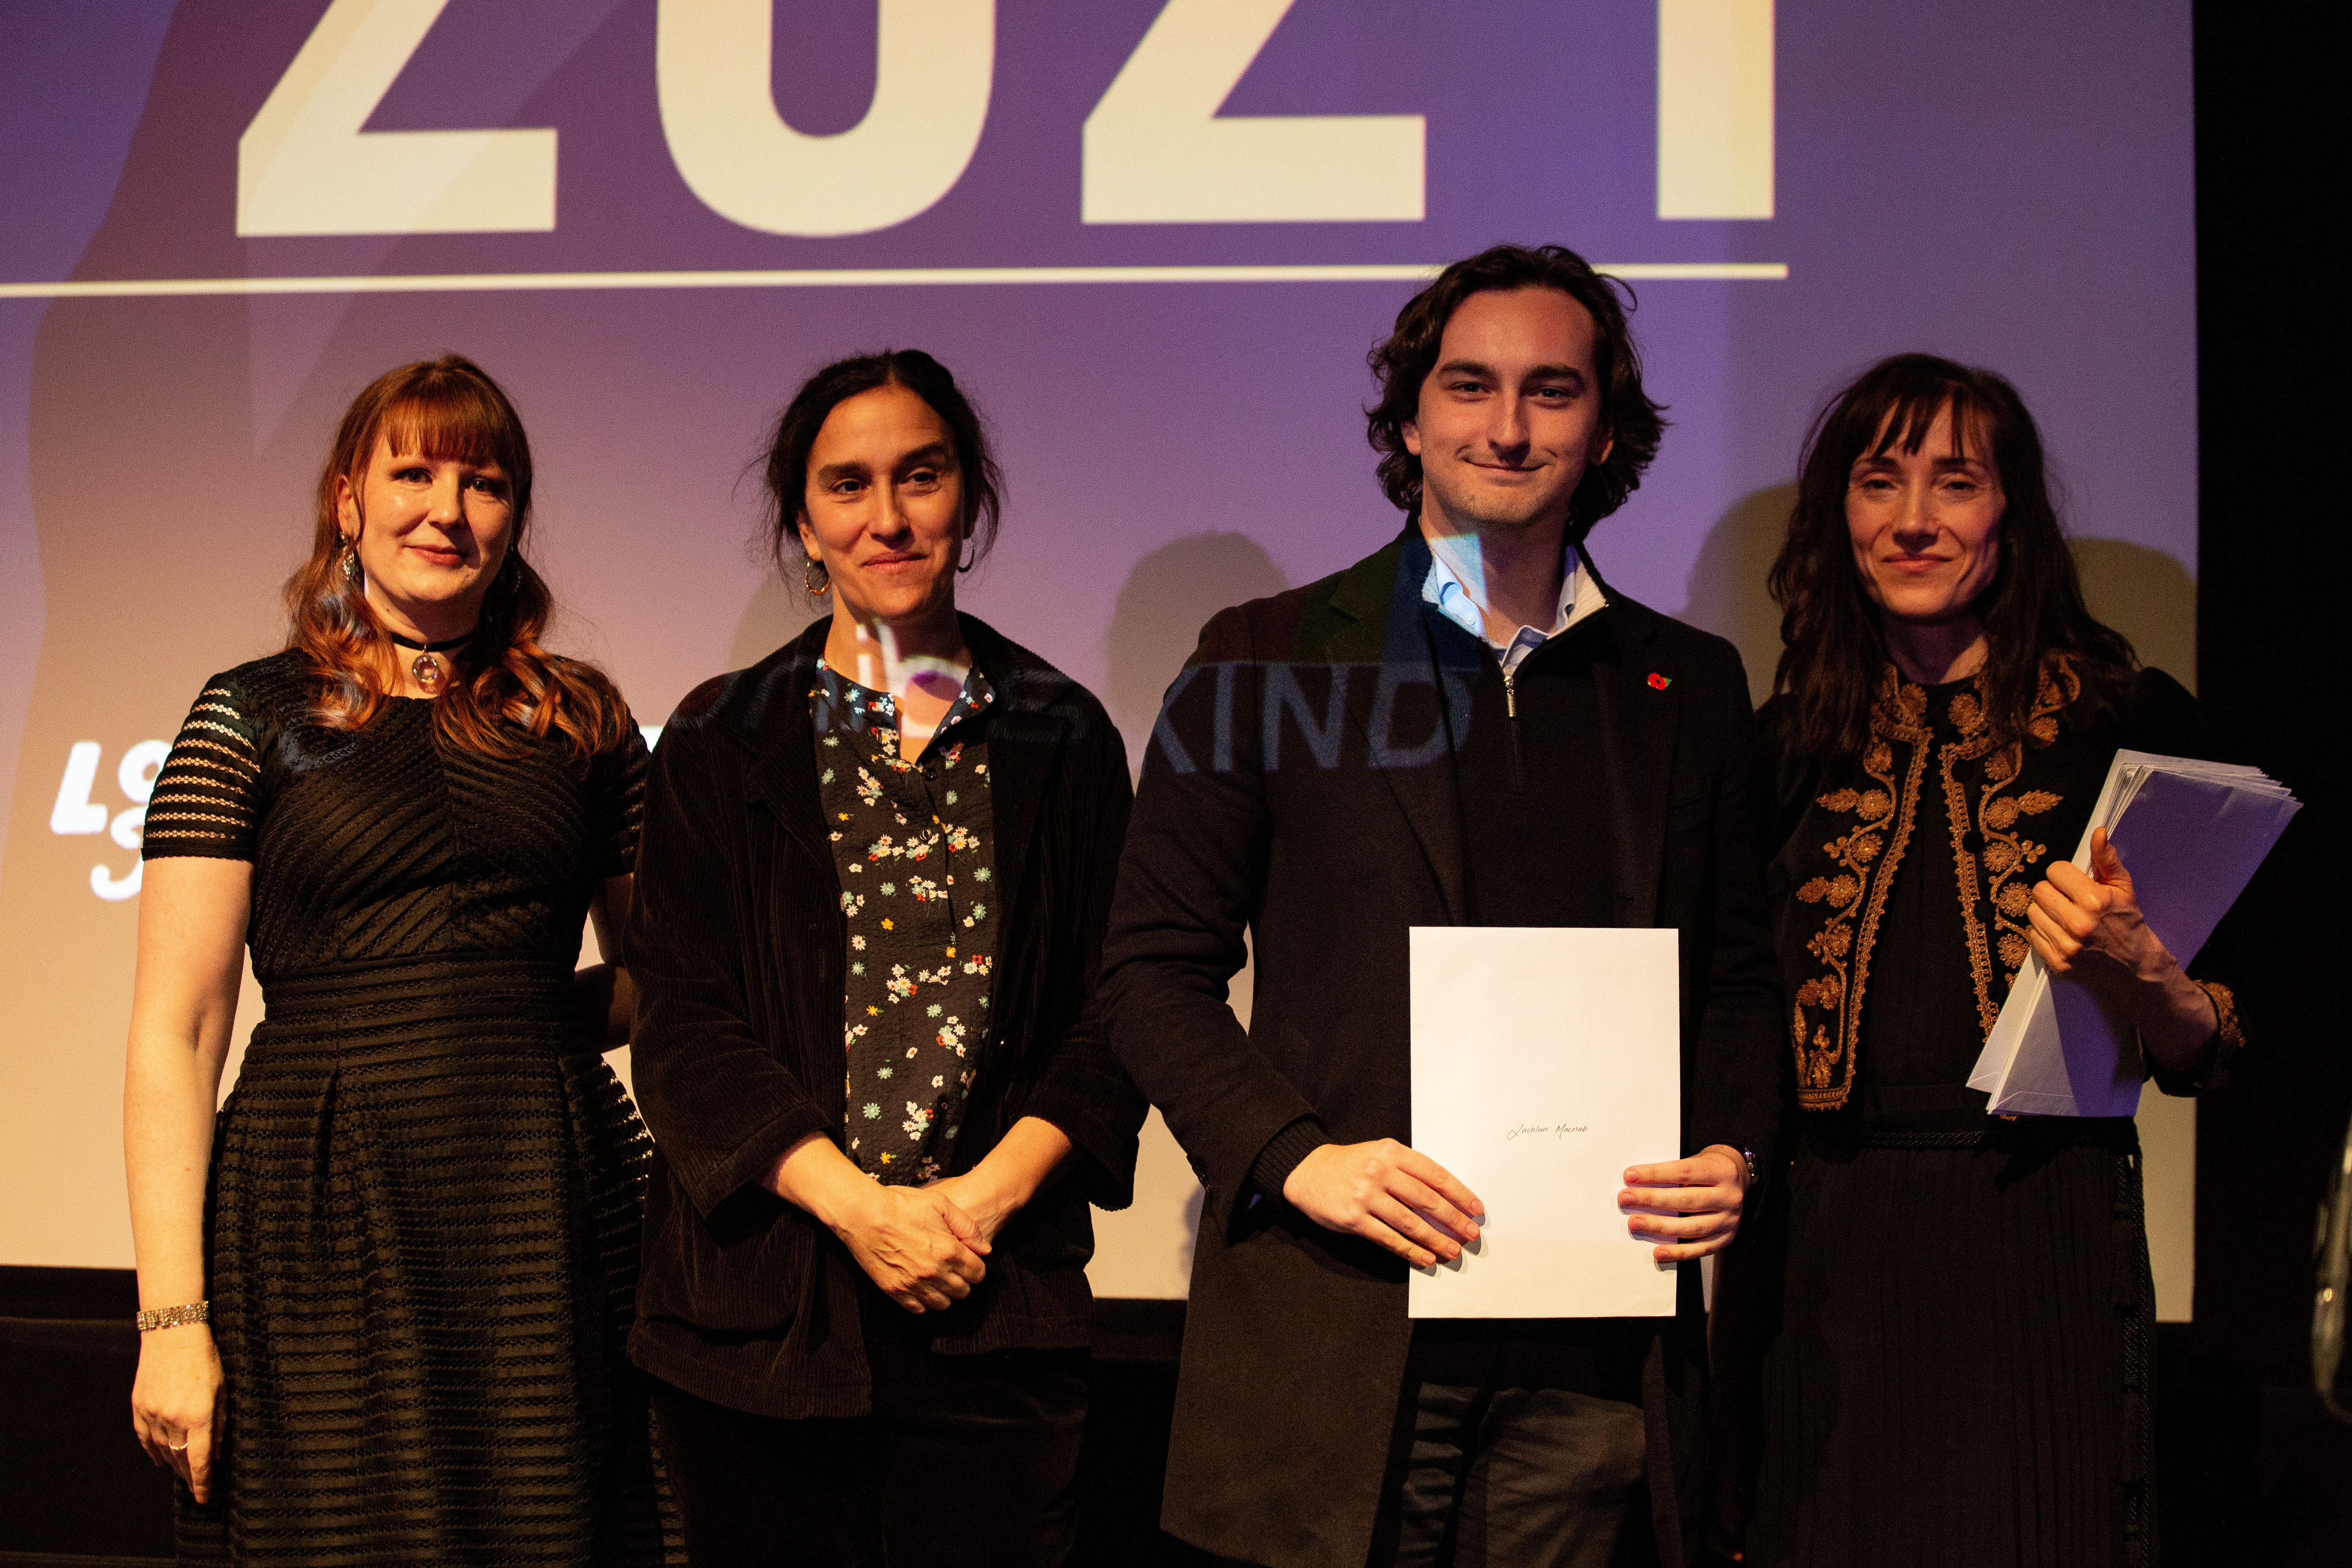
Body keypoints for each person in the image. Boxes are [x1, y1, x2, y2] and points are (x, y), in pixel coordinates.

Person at [1099, 244, 1785, 1568]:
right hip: (1336, 1333)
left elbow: (1740, 978)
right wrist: (1298, 1157)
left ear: (1604, 431)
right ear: (1409, 418)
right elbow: (1146, 973)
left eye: (1551, 390)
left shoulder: (1688, 684)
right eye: (1468, 386)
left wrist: (1737, 1151)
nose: (1507, 425)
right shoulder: (1263, 655)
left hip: (1591, 1351)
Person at [123, 356, 667, 1561]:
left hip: (541, 1198)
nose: (447, 508)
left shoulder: (582, 718)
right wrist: (171, 1317)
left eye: (483, 481)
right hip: (314, 1209)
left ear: (515, 515)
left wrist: (503, 1028)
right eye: (411, 471)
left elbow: (657, 974)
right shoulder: (248, 715)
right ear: (346, 499)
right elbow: (179, 1031)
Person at [623, 349, 1144, 1566]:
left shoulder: (1061, 733)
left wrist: (975, 1204)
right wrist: (862, 1213)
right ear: (804, 521)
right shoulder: (717, 734)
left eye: (921, 475)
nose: (888, 516)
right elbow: (683, 1024)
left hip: (994, 1303)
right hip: (760, 1319)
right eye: (847, 485)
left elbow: (1114, 1009)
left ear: (968, 496)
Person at [1736, 354, 2244, 1567]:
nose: (1913, 520)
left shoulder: (2127, 723)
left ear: (2008, 512)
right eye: (1879, 481)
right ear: (1837, 517)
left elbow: (2207, 1049)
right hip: (1824, 1257)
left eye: (1953, 482)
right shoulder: (1776, 748)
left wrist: (2145, 972)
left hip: (2041, 1242)